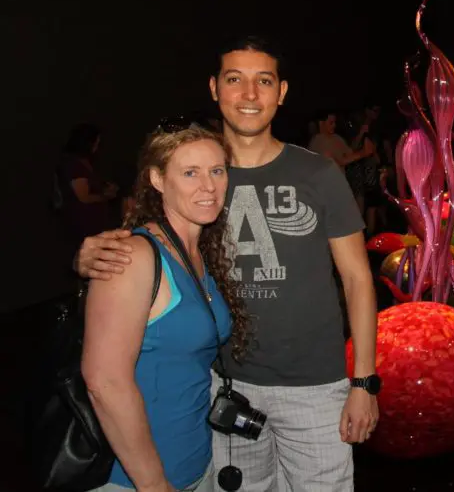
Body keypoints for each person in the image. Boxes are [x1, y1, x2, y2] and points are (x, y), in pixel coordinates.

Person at [74, 36, 379, 492]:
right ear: (215, 89)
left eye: (264, 81)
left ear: (283, 92)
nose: (250, 95)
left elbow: (357, 279)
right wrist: (88, 254)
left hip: (315, 388)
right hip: (224, 386)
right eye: (235, 80)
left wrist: (364, 383)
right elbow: (144, 238)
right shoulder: (197, 169)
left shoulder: (318, 173)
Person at [83, 122, 244, 492]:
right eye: (190, 173)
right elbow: (104, 382)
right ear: (157, 179)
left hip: (195, 463)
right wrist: (153, 483)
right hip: (136, 479)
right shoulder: (134, 256)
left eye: (217, 171)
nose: (208, 186)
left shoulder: (198, 253)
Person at [53, 123, 119, 257]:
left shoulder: (86, 163)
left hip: (94, 225)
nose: (97, 146)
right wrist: (106, 196)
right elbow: (83, 196)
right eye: (96, 142)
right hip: (81, 227)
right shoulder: (73, 165)